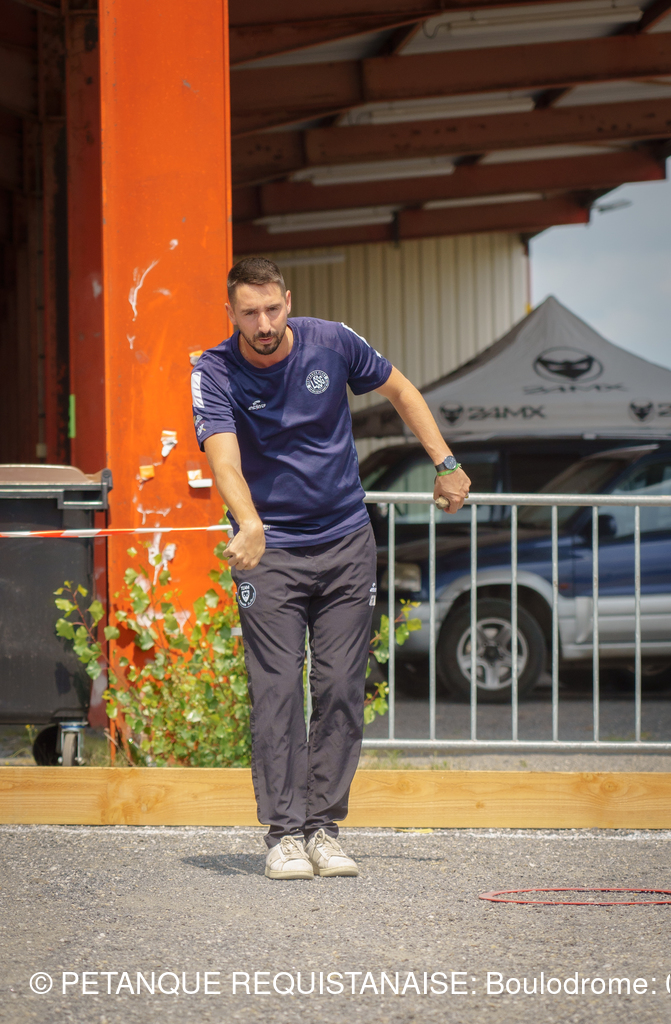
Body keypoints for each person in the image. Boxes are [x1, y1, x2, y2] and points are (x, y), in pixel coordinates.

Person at [192, 257, 470, 880]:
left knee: (342, 686)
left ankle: (323, 829)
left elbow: (401, 391)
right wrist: (250, 523)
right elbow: (224, 460)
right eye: (249, 313)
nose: (264, 324)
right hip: (271, 552)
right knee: (277, 692)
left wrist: (446, 464)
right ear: (230, 313)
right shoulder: (213, 371)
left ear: (288, 301)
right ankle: (284, 835)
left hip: (346, 541)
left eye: (272, 309)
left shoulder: (333, 341)